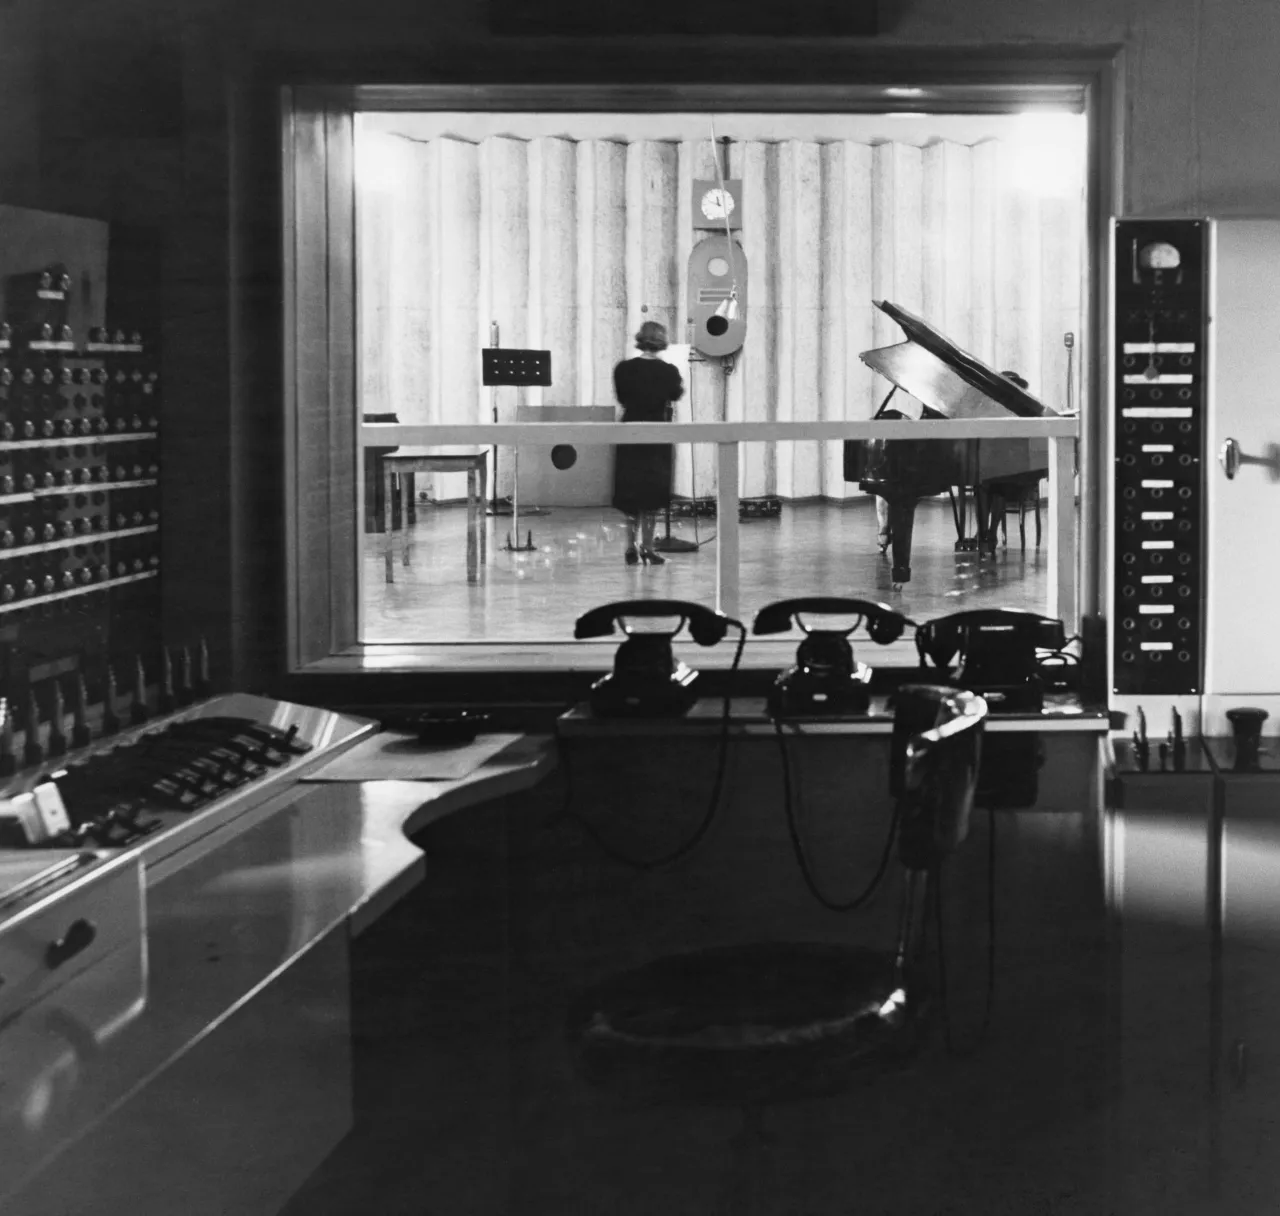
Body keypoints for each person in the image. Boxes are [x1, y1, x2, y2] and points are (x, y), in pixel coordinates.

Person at [612, 320, 684, 566]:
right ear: (661, 341)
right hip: (657, 432)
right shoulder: (669, 371)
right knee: (652, 494)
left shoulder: (623, 368)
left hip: (630, 431)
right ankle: (648, 547)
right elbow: (676, 394)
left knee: (631, 494)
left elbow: (622, 398)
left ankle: (629, 548)